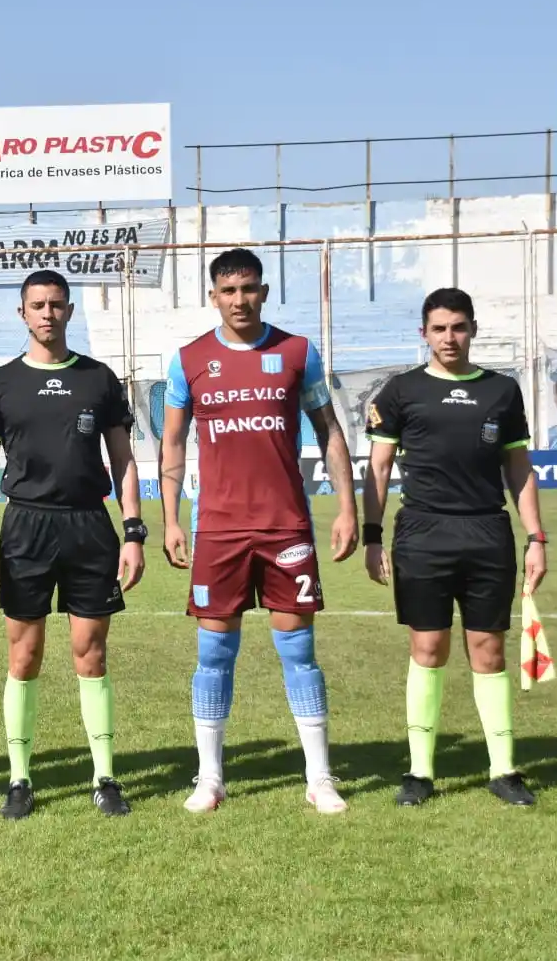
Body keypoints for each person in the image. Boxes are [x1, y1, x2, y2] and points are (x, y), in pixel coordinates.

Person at [158, 247, 358, 816]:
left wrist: (347, 508)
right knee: (214, 653)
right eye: (228, 290)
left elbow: (330, 430)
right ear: (213, 296)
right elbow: (172, 443)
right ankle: (210, 779)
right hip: (218, 530)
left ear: (263, 292)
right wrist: (170, 519)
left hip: (284, 526)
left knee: (299, 650)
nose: (239, 300)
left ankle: (319, 778)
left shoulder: (297, 352)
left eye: (248, 289)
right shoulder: (189, 360)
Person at [0, 268, 146, 821]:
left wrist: (133, 531)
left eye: (56, 304)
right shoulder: (2, 381)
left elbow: (123, 460)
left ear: (69, 310)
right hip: (25, 527)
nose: (48, 313)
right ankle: (19, 778)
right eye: (38, 305)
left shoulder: (98, 379)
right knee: (24, 656)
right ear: (22, 312)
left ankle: (105, 776)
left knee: (91, 654)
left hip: (89, 526)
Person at [362, 287, 546, 808]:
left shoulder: (502, 391)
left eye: (459, 327)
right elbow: (378, 468)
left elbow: (519, 469)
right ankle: (419, 772)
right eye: (439, 328)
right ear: (424, 333)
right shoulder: (400, 391)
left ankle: (504, 770)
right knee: (428, 648)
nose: (449, 337)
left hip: (488, 533)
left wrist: (536, 538)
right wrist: (373, 537)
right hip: (422, 535)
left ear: (473, 330)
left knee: (489, 650)